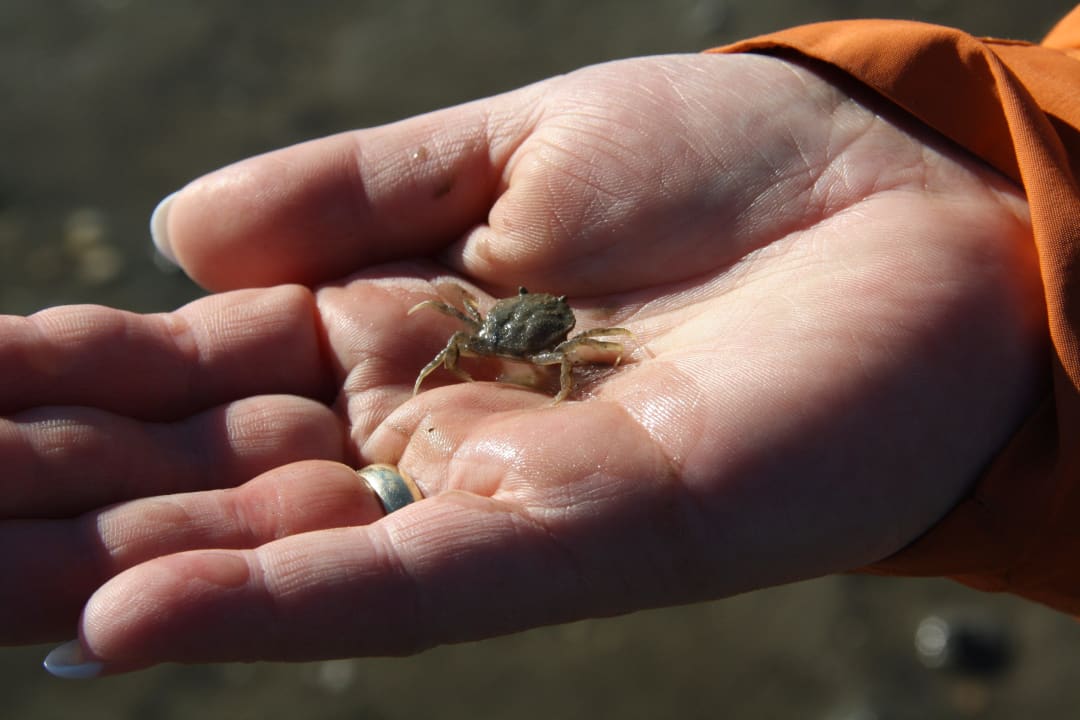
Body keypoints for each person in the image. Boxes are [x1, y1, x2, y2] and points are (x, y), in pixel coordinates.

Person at [3, 8, 1076, 678]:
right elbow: (471, 328)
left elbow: (569, 342)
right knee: (465, 342)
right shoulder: (490, 323)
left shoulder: (561, 333)